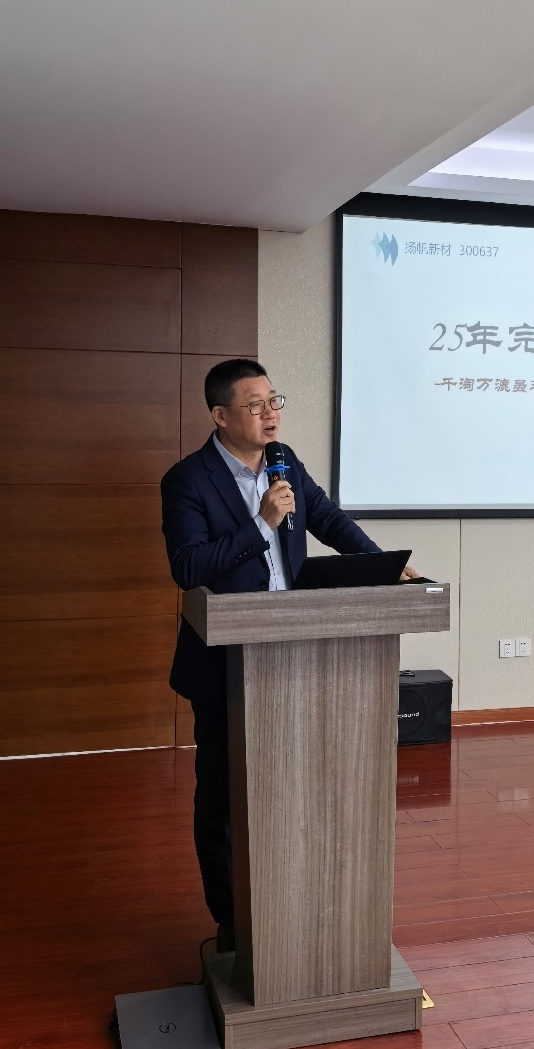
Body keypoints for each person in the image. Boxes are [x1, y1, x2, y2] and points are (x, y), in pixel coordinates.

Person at [160, 358, 412, 952]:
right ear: (220, 416)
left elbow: (327, 519)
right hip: (225, 663)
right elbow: (188, 568)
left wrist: (385, 566)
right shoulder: (187, 480)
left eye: (274, 401)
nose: (270, 413)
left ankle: (294, 903)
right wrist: (260, 523)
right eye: (255, 405)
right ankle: (232, 922)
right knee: (224, 795)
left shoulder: (285, 461)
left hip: (297, 654)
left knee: (297, 785)